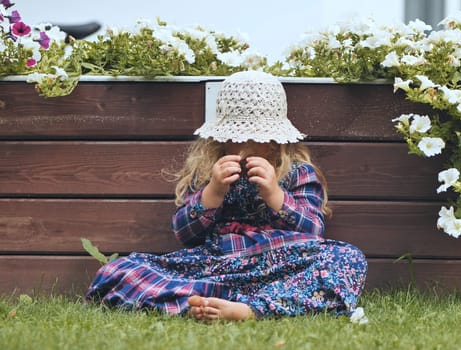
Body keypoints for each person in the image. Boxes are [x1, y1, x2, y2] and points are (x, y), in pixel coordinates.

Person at [85, 70, 368, 321]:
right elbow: (184, 234)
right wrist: (214, 191)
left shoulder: (297, 172)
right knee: (120, 270)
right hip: (217, 264)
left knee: (348, 257)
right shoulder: (209, 170)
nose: (247, 144)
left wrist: (274, 193)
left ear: (275, 141)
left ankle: (251, 309)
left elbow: (314, 230)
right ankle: (209, 302)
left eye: (259, 137)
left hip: (281, 264)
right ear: (221, 137)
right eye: (237, 136)